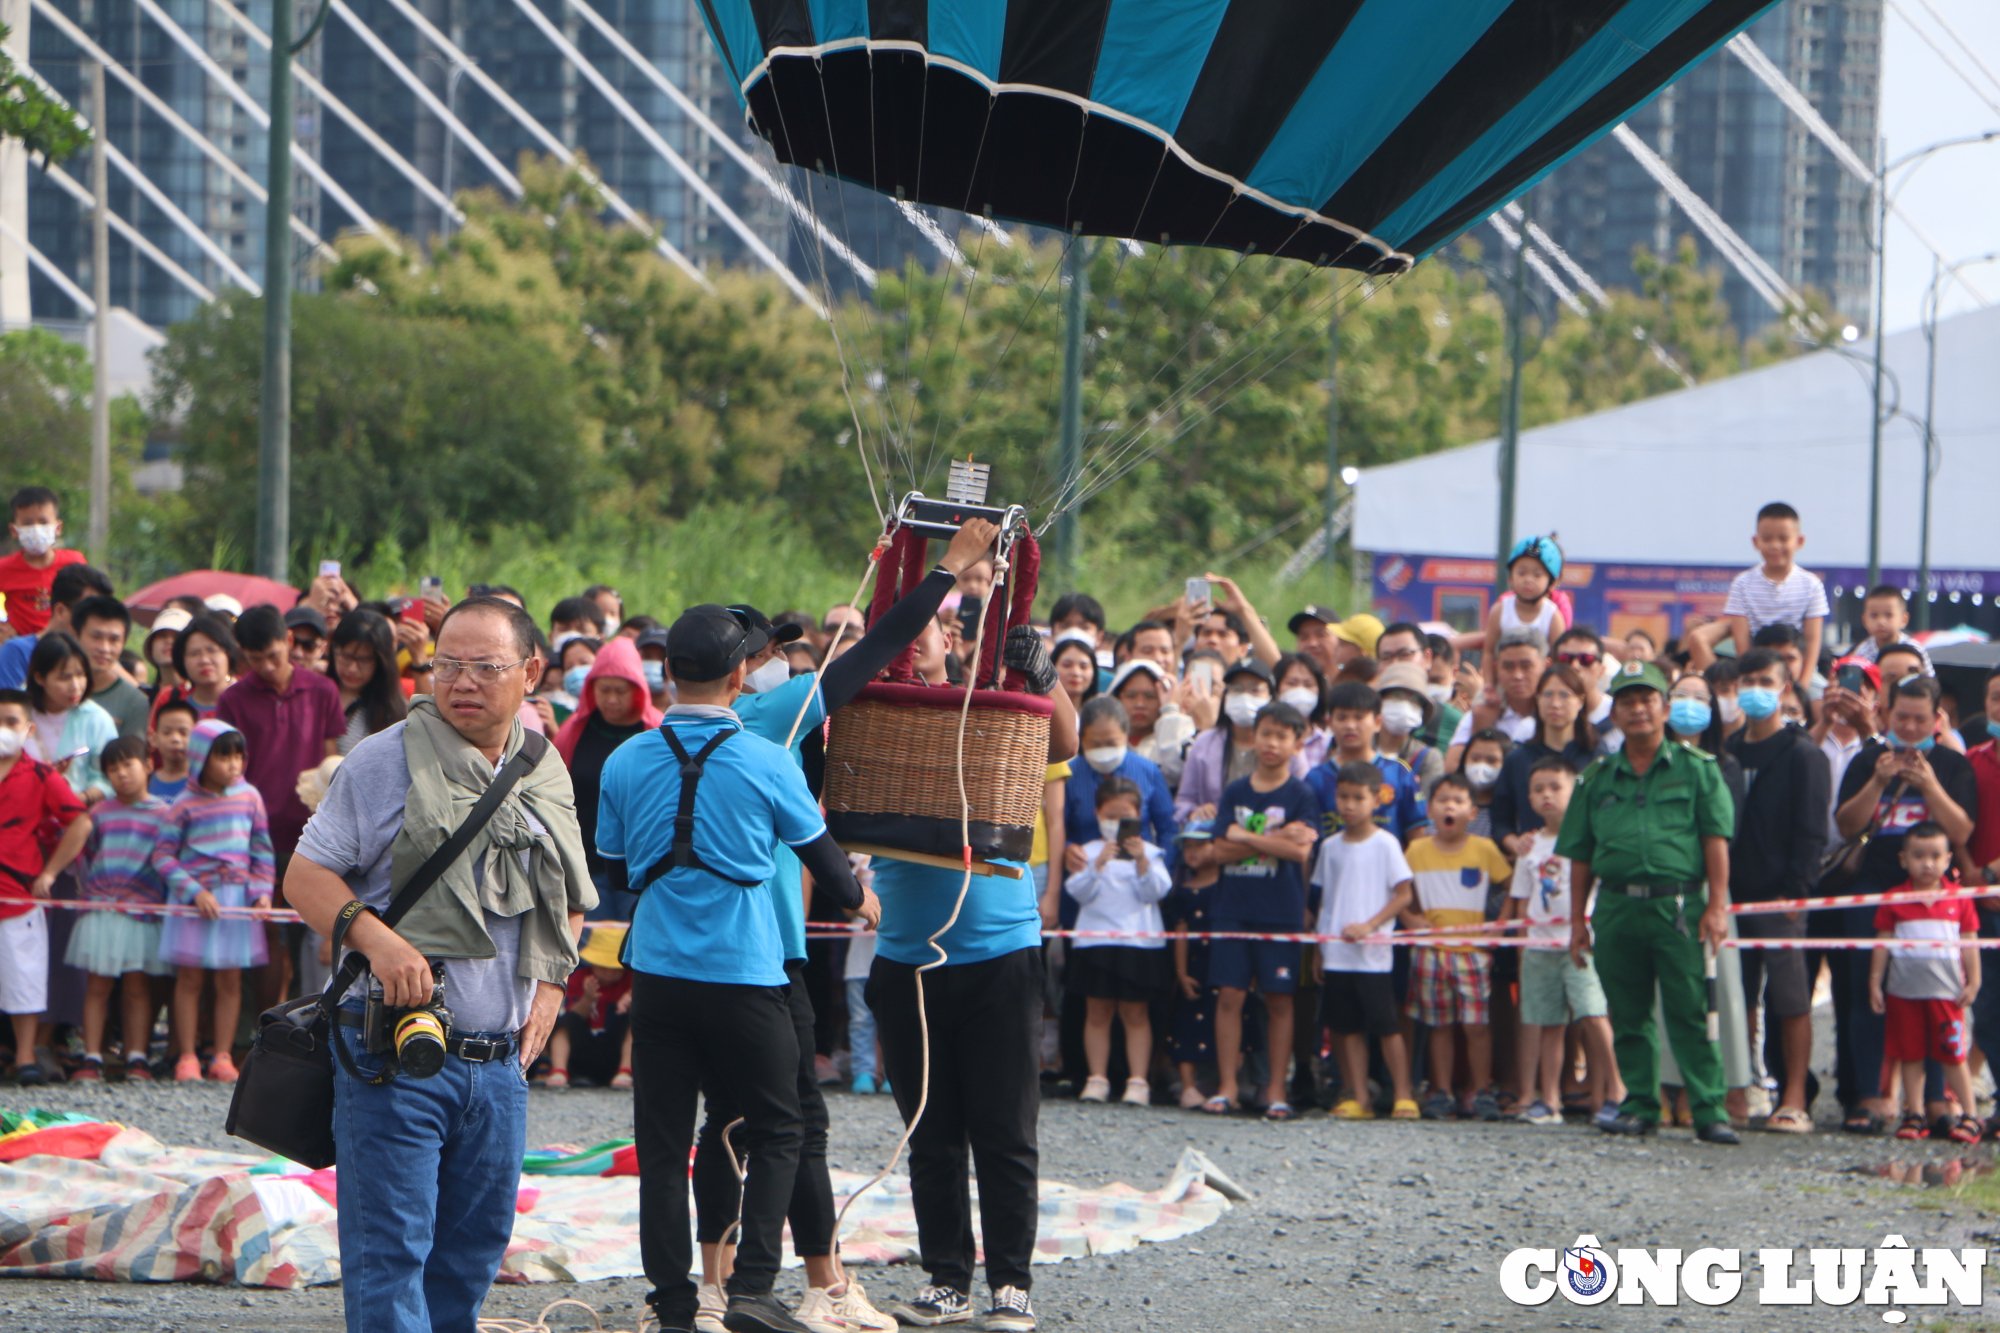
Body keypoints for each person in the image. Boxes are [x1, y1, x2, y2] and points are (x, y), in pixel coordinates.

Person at [285, 595, 594, 1333]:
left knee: (472, 1252)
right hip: (392, 1043)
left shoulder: (544, 766)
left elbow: (571, 895)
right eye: (446, 664)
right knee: (391, 1253)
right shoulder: (383, 757)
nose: (461, 682)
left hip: (499, 1061)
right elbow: (305, 878)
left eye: (484, 667)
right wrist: (379, 941)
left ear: (530, 671)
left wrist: (550, 988)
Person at [597, 604, 871, 1333]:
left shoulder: (625, 759)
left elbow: (614, 865)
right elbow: (828, 867)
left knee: (662, 1147)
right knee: (778, 1125)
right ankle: (752, 1286)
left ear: (666, 672)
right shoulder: (766, 758)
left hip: (658, 973)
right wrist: (862, 899)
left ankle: (675, 1306)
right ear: (742, 673)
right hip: (747, 973)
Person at [1561, 660, 1739, 1144]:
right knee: (1629, 1012)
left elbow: (1714, 840)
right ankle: (1641, 1103)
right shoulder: (1596, 779)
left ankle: (1708, 1108)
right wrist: (1577, 920)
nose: (1638, 709)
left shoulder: (1697, 770)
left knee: (1689, 1011)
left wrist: (1717, 905)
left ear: (1665, 708)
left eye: (1647, 700)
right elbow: (1580, 855)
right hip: (1617, 908)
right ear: (1614, 713)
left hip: (1678, 906)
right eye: (1627, 701)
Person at [1830, 674, 1976, 1135]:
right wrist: (1877, 781)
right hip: (1873, 893)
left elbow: (1962, 831)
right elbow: (1848, 825)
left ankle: (1934, 1099)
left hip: (1934, 904)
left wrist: (1930, 786)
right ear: (1885, 715)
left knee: (1933, 999)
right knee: (1865, 995)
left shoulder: (1954, 765)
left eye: (1919, 720)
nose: (1910, 728)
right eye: (1901, 718)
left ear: (1936, 720)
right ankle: (1870, 1096)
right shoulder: (1867, 760)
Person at [217, 604, 348, 1007]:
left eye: (274, 656)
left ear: (289, 642)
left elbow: (332, 765)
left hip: (313, 835)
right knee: (267, 932)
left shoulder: (322, 690)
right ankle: (269, 1023)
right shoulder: (233, 699)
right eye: (256, 660)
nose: (268, 667)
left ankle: (314, 1018)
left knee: (315, 930)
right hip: (255, 837)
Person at [1724, 647, 1830, 1134]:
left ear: (1785, 687)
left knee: (1790, 998)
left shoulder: (1803, 753)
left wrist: (1796, 893)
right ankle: (1744, 1087)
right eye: (1748, 681)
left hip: (1783, 896)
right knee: (1736, 996)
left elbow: (1812, 831)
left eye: (1766, 681)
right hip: (1730, 896)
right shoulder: (1727, 751)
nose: (1756, 690)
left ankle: (1792, 1097)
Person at [1203, 701, 1319, 1120]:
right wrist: (1276, 837)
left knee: (1280, 1000)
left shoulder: (1302, 794)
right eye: (1266, 733)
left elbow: (1301, 851)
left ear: (1297, 742)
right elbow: (1217, 849)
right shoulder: (1236, 790)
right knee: (1229, 995)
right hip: (1232, 907)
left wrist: (1246, 836)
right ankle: (1227, 1086)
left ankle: (1276, 1089)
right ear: (1255, 736)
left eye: (1282, 736)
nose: (1272, 743)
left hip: (1282, 910)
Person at [1502, 756, 1623, 1128]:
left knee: (1593, 1013)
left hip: (1579, 943)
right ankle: (1548, 1099)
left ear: (1574, 791)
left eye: (1555, 787)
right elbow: (1522, 898)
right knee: (1547, 1022)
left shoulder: (1589, 839)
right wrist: (1522, 945)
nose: (1546, 796)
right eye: (1538, 789)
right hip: (1539, 946)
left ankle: (1616, 1090)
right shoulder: (1529, 847)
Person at [153, 721, 272, 1084]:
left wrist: (261, 892)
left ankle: (221, 1055)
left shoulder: (250, 796)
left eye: (238, 756)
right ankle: (187, 1055)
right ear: (201, 758)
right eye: (224, 756)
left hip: (235, 901)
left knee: (230, 979)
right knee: (189, 978)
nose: (234, 764)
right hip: (195, 902)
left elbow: (261, 850)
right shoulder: (184, 804)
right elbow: (162, 855)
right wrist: (194, 891)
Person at [1313, 759, 1417, 1121]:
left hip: (1373, 954)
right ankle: (1360, 1097)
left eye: (1358, 797)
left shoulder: (1387, 844)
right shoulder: (1329, 848)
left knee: (1387, 1025)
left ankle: (1404, 1095)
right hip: (1337, 952)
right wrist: (1320, 947)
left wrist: (1370, 926)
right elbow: (1326, 900)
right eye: (1343, 797)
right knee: (1345, 1027)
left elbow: (1404, 894)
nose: (1349, 805)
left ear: (1377, 800)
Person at [1403, 774, 1512, 1119]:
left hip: (1473, 953)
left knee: (1476, 1026)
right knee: (1439, 1025)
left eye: (1458, 800)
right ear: (1430, 809)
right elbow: (1399, 891)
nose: (1450, 806)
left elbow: (1512, 883)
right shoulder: (1416, 850)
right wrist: (1409, 919)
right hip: (1431, 952)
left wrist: (1500, 926)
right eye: (1442, 800)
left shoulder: (1484, 849)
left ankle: (1480, 1091)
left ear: (1472, 811)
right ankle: (1441, 1091)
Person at [62, 736, 171, 1082]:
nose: (121, 774)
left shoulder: (164, 814)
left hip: (142, 911)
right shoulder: (99, 813)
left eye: (128, 764)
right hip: (102, 909)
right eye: (113, 768)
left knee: (138, 986)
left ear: (148, 765)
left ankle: (137, 1055)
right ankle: (92, 1055)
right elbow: (87, 855)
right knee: (98, 985)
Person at [1868, 823, 1982, 1144]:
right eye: (1918, 856)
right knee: (1910, 1054)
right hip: (1904, 992)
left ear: (1948, 860)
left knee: (1953, 1054)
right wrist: (1876, 982)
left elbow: (1970, 944)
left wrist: (1973, 982)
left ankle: (1969, 1114)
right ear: (1904, 859)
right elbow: (1883, 944)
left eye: (1935, 856)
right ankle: (1914, 1113)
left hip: (1946, 994)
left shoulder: (1959, 900)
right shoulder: (1894, 899)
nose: (1927, 863)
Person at [0, 687, 91, 1085]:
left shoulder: (41, 774)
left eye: (10, 722)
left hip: (19, 897)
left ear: (28, 728)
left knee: (24, 976)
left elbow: (81, 820)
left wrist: (50, 873)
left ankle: (24, 1059)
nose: (2, 730)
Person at [1064, 776, 1173, 1106]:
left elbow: (1157, 892)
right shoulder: (1087, 852)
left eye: (1124, 817)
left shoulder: (1152, 853)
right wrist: (1097, 865)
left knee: (1135, 1012)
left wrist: (1141, 862)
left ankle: (1137, 1080)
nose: (1116, 823)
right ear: (1097, 813)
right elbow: (1078, 892)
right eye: (1110, 815)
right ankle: (1096, 1078)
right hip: (1094, 941)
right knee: (1096, 1011)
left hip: (1138, 942)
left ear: (1138, 816)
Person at [553, 636, 663, 925]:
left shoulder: (657, 732)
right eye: (604, 690)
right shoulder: (574, 732)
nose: (612, 700)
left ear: (638, 691)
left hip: (643, 865)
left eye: (621, 691)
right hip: (584, 863)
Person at [1692, 502, 1827, 676]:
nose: (1775, 545)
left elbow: (1812, 639)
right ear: (1756, 542)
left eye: (1783, 538)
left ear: (1799, 541)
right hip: (1758, 664)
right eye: (1767, 539)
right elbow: (1741, 640)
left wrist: (1803, 684)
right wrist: (1750, 675)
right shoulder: (1742, 584)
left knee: (1820, 701)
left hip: (1797, 666)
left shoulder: (1811, 584)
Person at [1175, 659, 1302, 823]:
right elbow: (1183, 801)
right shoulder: (1205, 742)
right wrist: (1195, 812)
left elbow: (1301, 796)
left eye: (1255, 690)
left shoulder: (1286, 745)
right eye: (1236, 689)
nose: (1245, 696)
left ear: (1270, 696)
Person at [1491, 663, 1597, 857]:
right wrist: (1516, 844)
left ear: (1580, 701)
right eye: (1548, 695)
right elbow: (1500, 822)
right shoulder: (1518, 759)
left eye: (1564, 695)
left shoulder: (1596, 757)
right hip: (1534, 860)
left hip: (1584, 860)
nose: (1555, 704)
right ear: (1538, 700)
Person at [1063, 696, 1176, 852]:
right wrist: (1068, 849)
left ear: (1126, 736)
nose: (1103, 750)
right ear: (1082, 740)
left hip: (1139, 870)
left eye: (1111, 743)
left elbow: (1168, 829)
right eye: (1095, 744)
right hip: (1085, 870)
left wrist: (1159, 865)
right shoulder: (1069, 775)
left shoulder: (1149, 772)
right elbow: (1055, 828)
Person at [26, 631, 118, 802]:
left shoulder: (96, 719)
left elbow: (109, 777)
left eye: (80, 675)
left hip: (77, 818)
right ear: (39, 678)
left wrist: (78, 799)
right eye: (64, 678)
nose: (75, 686)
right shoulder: (18, 712)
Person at [544, 924, 634, 1090]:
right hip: (582, 1047)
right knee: (564, 1024)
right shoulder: (579, 977)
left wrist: (630, 999)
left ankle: (625, 1070)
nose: (608, 973)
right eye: (602, 967)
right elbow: (572, 1016)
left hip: (614, 1047)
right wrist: (587, 999)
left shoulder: (631, 980)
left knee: (634, 1024)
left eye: (614, 969)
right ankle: (559, 1070)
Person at [1446, 628, 1546, 766]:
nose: (1518, 675)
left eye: (1526, 666)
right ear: (1496, 668)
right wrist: (1482, 730)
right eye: (1508, 667)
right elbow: (1452, 767)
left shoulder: (1557, 712)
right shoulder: (1480, 714)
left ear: (1546, 666)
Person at [0, 487, 86, 640]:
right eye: (27, 523)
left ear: (58, 528)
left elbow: (89, 602)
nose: (36, 529)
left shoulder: (74, 563)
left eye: (43, 521)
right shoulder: (4, 568)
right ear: (14, 530)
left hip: (64, 647)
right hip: (21, 648)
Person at [1481, 536, 1566, 685]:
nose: (1528, 580)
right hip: (1504, 686)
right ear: (1510, 578)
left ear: (1552, 582)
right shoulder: (1499, 611)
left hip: (1539, 688)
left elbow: (1559, 660)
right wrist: (1489, 685)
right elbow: (1488, 653)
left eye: (1537, 575)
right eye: (1521, 573)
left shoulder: (1553, 617)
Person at [329, 609, 410, 755]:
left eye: (364, 660)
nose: (352, 668)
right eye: (346, 656)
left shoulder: (394, 712)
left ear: (380, 662)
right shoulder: (315, 692)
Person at [70, 595, 148, 742]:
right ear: (75, 636)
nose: (104, 648)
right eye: (96, 637)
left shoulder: (135, 702)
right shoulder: (53, 689)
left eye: (114, 640)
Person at [1109, 658, 1194, 790]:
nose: (1140, 704)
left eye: (1150, 696)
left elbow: (1174, 773)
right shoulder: (1104, 741)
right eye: (1131, 696)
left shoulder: (1179, 733)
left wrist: (1170, 711)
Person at [1374, 662, 1445, 799]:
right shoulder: (1360, 747)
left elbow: (1426, 807)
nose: (1404, 705)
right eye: (1396, 697)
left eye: (1414, 701)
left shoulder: (1429, 758)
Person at [1275, 652, 1332, 769]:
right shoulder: (1266, 739)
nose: (1300, 690)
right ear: (1276, 689)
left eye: (1308, 684)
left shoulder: (1327, 743)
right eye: (1292, 683)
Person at [148, 697, 197, 802]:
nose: (175, 739)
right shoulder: (145, 782)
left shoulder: (203, 783)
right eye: (167, 732)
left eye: (183, 733)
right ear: (154, 739)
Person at [285, 605, 331, 675]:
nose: (298, 653)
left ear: (322, 649)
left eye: (308, 646)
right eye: (291, 642)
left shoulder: (328, 684)